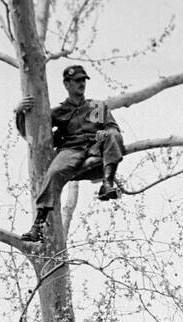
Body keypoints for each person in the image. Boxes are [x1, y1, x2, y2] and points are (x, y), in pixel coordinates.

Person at [15, 64, 124, 244]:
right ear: (67, 84)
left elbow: (113, 128)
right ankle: (39, 225)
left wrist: (103, 133)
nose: (81, 84)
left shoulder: (96, 106)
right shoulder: (58, 112)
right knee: (54, 172)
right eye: (77, 81)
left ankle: (107, 183)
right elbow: (32, 136)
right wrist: (19, 112)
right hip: (72, 149)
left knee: (112, 135)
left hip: (96, 148)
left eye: (83, 80)